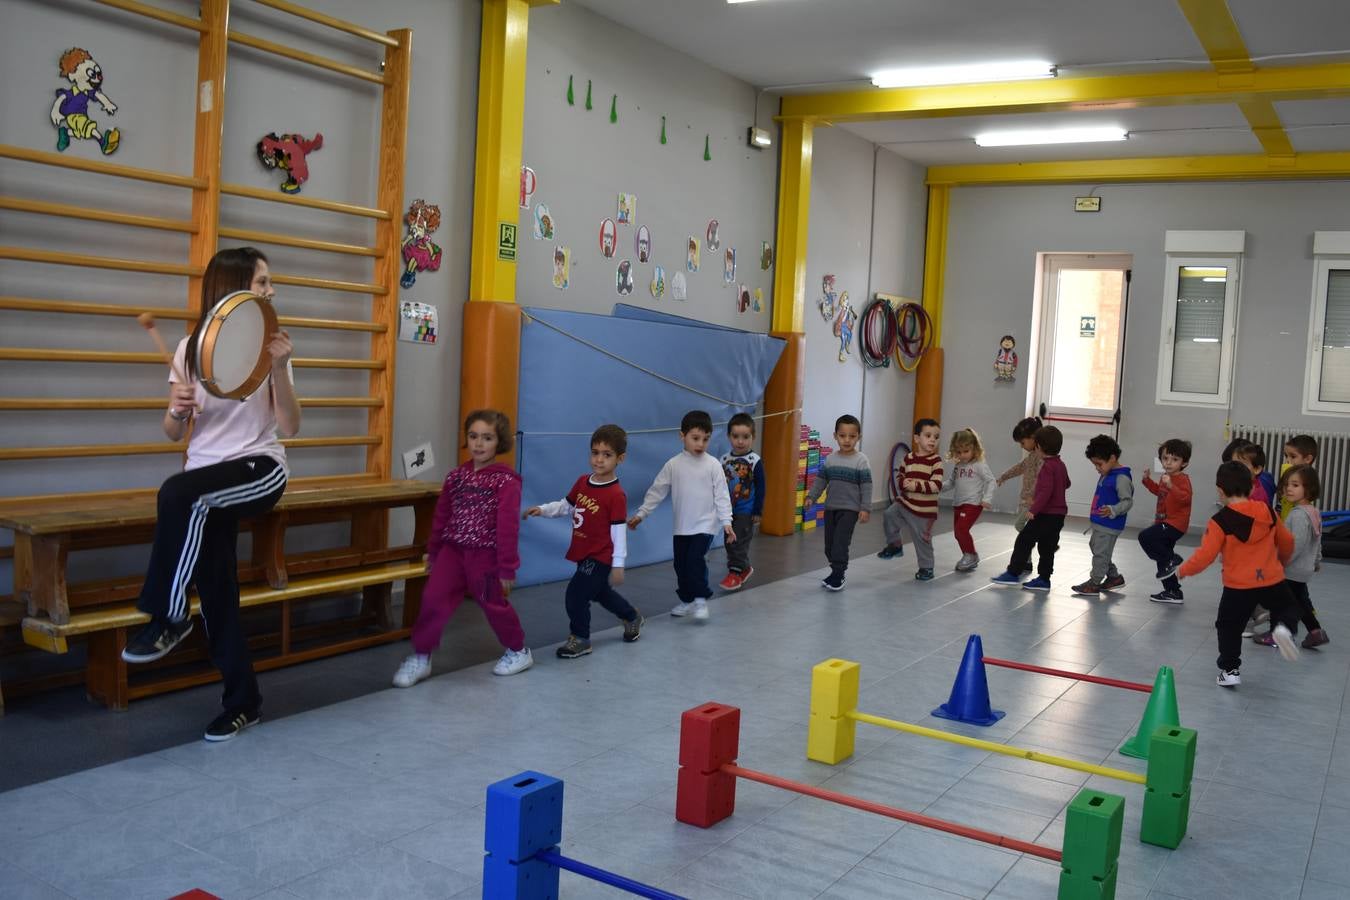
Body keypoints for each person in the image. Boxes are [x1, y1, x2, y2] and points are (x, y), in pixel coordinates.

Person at [120, 247, 300, 741]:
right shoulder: (188, 350)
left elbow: (290, 426)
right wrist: (177, 409)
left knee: (179, 494)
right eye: (262, 282)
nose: (271, 291)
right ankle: (244, 703)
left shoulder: (272, 346)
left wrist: (282, 369)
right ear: (233, 290)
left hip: (258, 468)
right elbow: (173, 434)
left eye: (269, 282)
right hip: (207, 482)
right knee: (219, 594)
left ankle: (168, 615)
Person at [393, 410, 532, 687]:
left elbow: (508, 526)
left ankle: (518, 650)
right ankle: (422, 656)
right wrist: (433, 552)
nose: (479, 444)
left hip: (486, 557)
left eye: (487, 438)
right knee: (433, 599)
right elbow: (441, 518)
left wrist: (507, 567)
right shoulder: (455, 477)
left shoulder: (507, 480)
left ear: (499, 442)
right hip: (452, 553)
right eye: (473, 436)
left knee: (493, 604)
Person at [1177, 461, 1301, 687]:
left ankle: (1230, 670)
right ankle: (1284, 628)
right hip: (1271, 578)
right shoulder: (1268, 512)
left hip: (1238, 586)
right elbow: (1287, 541)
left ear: (1220, 491)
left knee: (1229, 627)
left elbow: (1206, 555)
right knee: (1288, 606)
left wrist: (1184, 570)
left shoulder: (1219, 521)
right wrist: (1282, 561)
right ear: (1252, 488)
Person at [525, 424, 642, 659]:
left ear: (620, 458)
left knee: (576, 595)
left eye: (606, 455)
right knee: (600, 593)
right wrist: (543, 509)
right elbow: (567, 506)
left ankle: (580, 638)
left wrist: (618, 564)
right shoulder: (582, 482)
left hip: (600, 555)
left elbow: (618, 532)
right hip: (583, 551)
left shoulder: (616, 495)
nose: (599, 460)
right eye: (595, 453)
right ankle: (631, 616)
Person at [628, 410, 735, 621]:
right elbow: (657, 491)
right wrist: (642, 514)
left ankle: (701, 599)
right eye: (695, 438)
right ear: (682, 436)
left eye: (705, 439)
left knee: (695, 560)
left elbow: (722, 495)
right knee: (681, 565)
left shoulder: (713, 464)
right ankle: (687, 601)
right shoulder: (673, 465)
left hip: (705, 525)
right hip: (682, 527)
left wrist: (726, 522)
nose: (700, 444)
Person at [1253, 465, 1327, 649]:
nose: (1288, 489)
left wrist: (1279, 562)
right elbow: (1317, 540)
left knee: (1280, 603)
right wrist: (1317, 560)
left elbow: (1297, 544)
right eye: (1287, 484)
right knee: (1300, 602)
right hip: (1303, 569)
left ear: (1308, 489)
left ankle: (1278, 634)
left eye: (1295, 485)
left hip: (1291, 569)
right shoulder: (1313, 512)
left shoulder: (1298, 515)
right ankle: (1316, 631)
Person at [991, 425, 1069, 592]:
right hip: (1058, 516)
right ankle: (1044, 579)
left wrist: (1033, 509)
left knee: (1024, 539)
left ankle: (1013, 573)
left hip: (1045, 514)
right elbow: (1067, 483)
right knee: (1047, 549)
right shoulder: (1060, 464)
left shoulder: (1047, 466)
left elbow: (1045, 492)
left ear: (1039, 446)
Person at [805, 415, 872, 591]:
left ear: (859, 437)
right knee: (829, 545)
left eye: (852, 436)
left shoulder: (861, 460)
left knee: (840, 543)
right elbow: (821, 480)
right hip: (831, 508)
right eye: (843, 436)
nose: (847, 440)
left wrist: (865, 508)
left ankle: (839, 574)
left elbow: (866, 486)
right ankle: (835, 570)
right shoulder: (830, 459)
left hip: (850, 510)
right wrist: (811, 497)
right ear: (835, 436)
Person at [878, 418, 944, 580]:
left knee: (922, 540)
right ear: (916, 438)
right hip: (906, 503)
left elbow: (936, 485)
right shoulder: (908, 458)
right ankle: (895, 545)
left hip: (924, 510)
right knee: (889, 514)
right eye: (928, 435)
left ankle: (926, 567)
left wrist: (916, 485)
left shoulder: (936, 461)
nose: (932, 440)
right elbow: (900, 477)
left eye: (936, 437)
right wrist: (903, 483)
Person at [1072, 435, 1134, 596]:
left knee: (1100, 553)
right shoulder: (1108, 473)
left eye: (1099, 464)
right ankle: (1114, 577)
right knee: (1097, 549)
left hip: (1110, 525)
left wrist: (1113, 509)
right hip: (1100, 523)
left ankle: (1094, 583)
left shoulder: (1121, 477)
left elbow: (1127, 502)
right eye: (1095, 464)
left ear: (1112, 458)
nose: (1097, 468)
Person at [1139, 439, 1193, 605]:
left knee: (1145, 537)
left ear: (1184, 463)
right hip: (1163, 521)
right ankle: (1173, 591)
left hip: (1175, 524)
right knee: (1163, 562)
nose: (1169, 462)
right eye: (1165, 458)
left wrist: (1172, 486)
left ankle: (1172, 558)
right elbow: (1159, 492)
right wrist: (1147, 481)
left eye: (1175, 459)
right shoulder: (1165, 478)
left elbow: (1185, 498)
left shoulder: (1182, 480)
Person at [939, 428, 996, 572]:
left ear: (974, 449)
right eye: (959, 452)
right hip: (958, 504)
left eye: (966, 451)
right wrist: (936, 487)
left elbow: (991, 481)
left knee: (961, 530)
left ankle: (970, 555)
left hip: (973, 504)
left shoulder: (979, 464)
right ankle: (970, 555)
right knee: (958, 533)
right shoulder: (958, 466)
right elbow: (951, 482)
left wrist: (987, 498)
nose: (962, 455)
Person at [720, 413, 765, 591]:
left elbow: (761, 487)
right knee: (728, 541)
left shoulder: (755, 461)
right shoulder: (723, 460)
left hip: (745, 510)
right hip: (728, 511)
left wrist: (757, 510)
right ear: (729, 437)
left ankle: (735, 573)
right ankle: (744, 568)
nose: (740, 441)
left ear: (753, 437)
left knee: (738, 541)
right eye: (735, 436)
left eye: (746, 437)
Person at [995, 416, 1044, 574]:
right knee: (1026, 533)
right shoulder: (1031, 456)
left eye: (1023, 443)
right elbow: (1019, 468)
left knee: (1021, 527)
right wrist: (1004, 476)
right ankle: (1027, 561)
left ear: (1033, 438)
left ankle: (1044, 541)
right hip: (1027, 502)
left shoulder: (1041, 458)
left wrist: (1032, 495)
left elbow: (1040, 479)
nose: (1022, 447)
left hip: (1033, 503)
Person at [1278, 435, 1319, 520]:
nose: (1288, 461)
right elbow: (1282, 499)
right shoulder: (1290, 473)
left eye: (1293, 456)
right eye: (1286, 456)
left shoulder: (1307, 477)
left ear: (1307, 459)